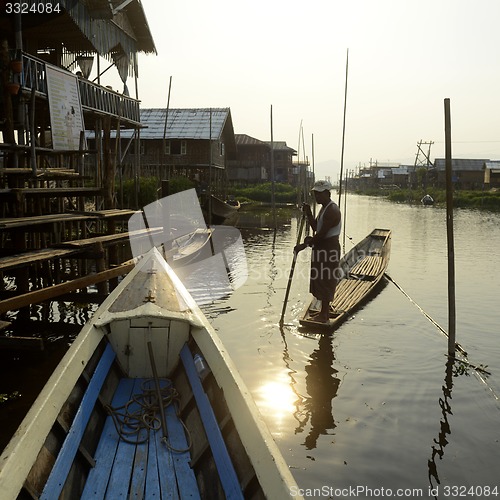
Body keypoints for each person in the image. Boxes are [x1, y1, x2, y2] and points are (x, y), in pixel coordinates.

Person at [294, 180, 342, 323]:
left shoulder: (332, 210)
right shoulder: (324, 208)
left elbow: (321, 234)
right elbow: (316, 228)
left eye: (320, 194)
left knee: (326, 278)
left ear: (327, 193)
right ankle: (324, 311)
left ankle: (324, 315)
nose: (317, 197)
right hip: (322, 247)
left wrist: (305, 245)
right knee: (320, 278)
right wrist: (309, 213)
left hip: (328, 248)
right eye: (315, 194)